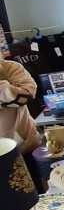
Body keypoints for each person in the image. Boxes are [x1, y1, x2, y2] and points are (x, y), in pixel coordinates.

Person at [1, 56, 43, 191]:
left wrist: (3, 88)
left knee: (35, 193)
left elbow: (28, 95)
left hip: (24, 147)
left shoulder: (10, 68)